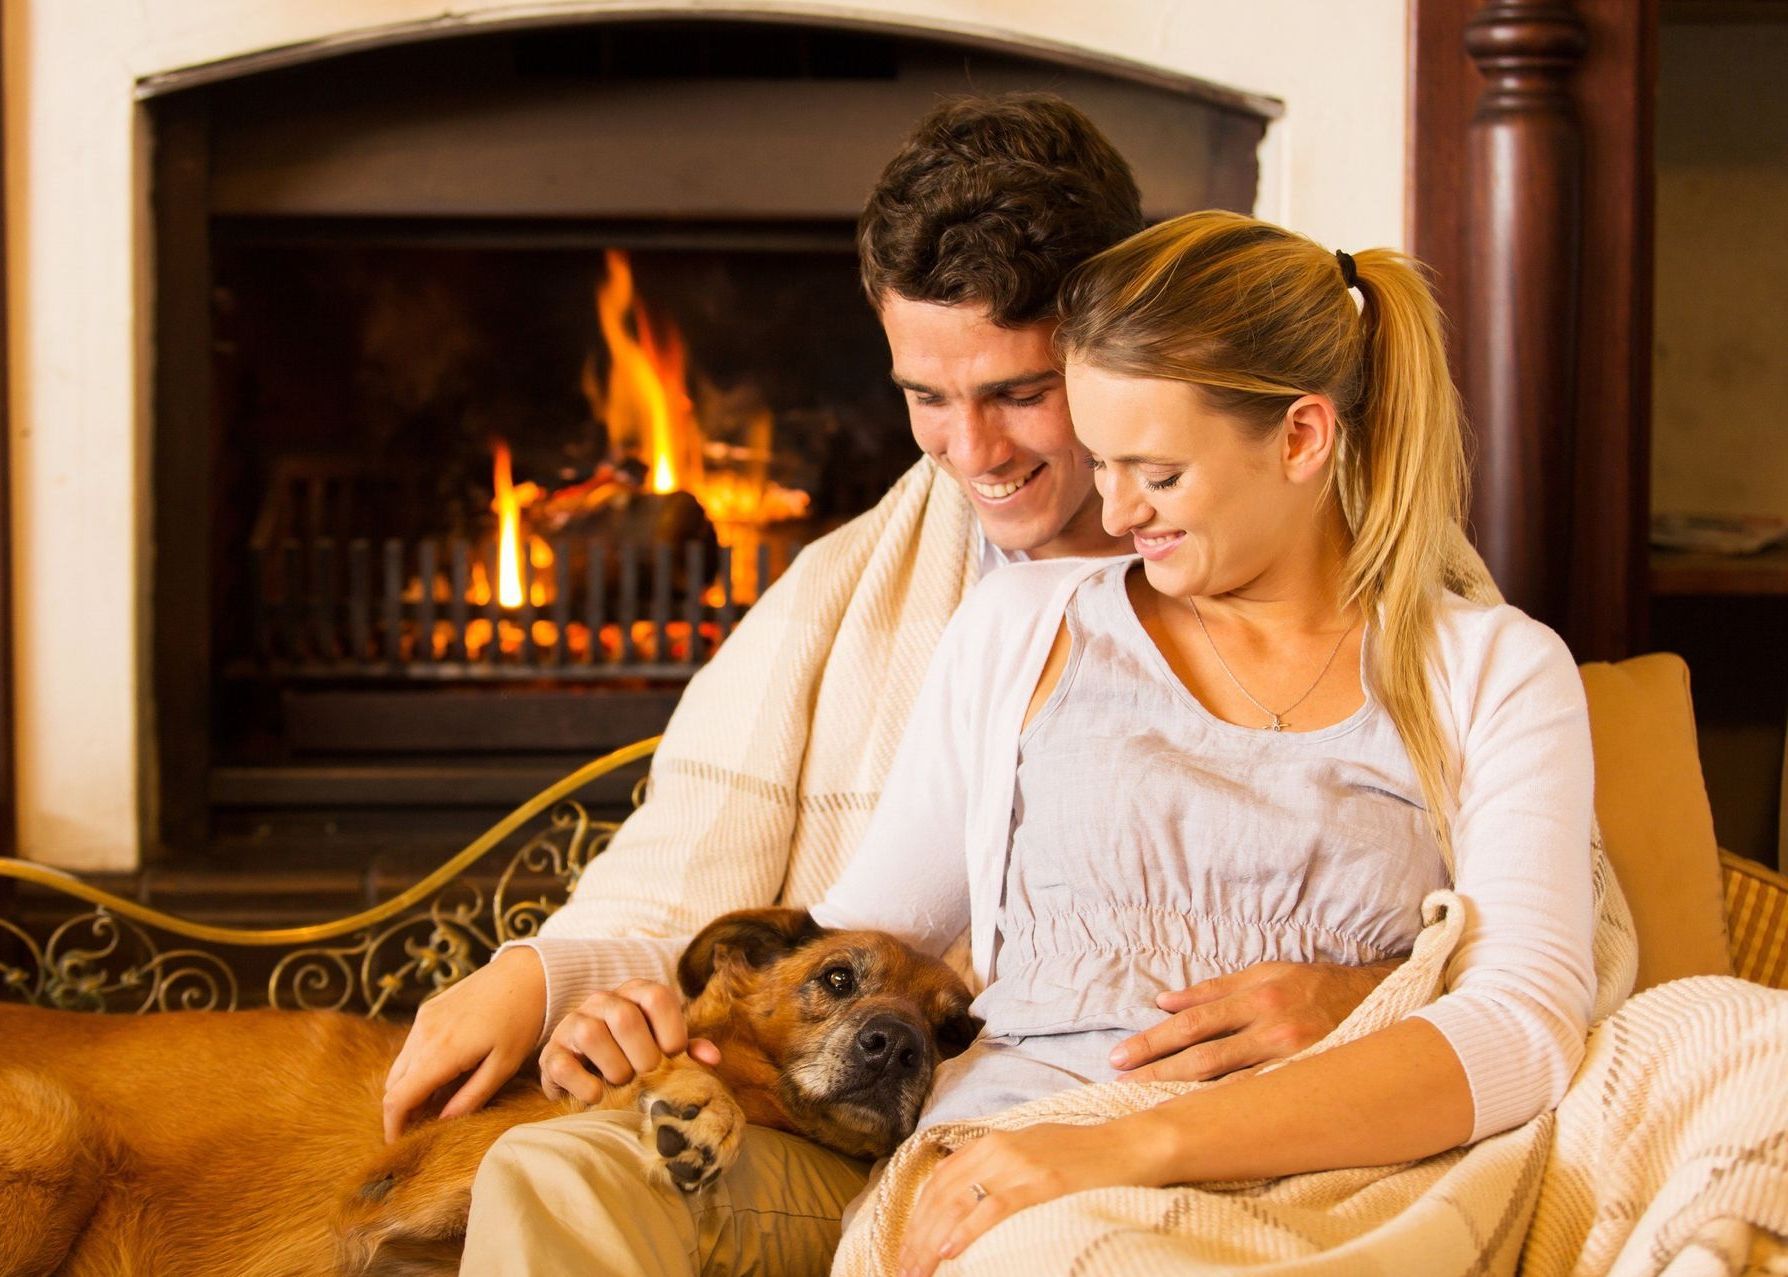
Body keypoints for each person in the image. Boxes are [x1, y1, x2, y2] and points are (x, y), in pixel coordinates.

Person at [385, 99, 1408, 1276]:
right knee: (561, 1169)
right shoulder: (864, 591)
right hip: (860, 1120)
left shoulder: (1352, 586)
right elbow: (743, 892)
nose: (975, 453)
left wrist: (1358, 994)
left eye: (1023, 393)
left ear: (1121, 347)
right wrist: (547, 976)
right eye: (928, 396)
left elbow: (1533, 931)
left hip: (1152, 1125)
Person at [781, 210, 1594, 1275]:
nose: (1115, 513)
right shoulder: (1025, 624)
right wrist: (620, 985)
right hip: (1032, 1171)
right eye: (1102, 463)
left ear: (1302, 436)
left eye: (1157, 475)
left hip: (1353, 1172)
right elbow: (859, 935)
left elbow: (1525, 1024)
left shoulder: (1493, 669)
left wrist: (1135, 1145)